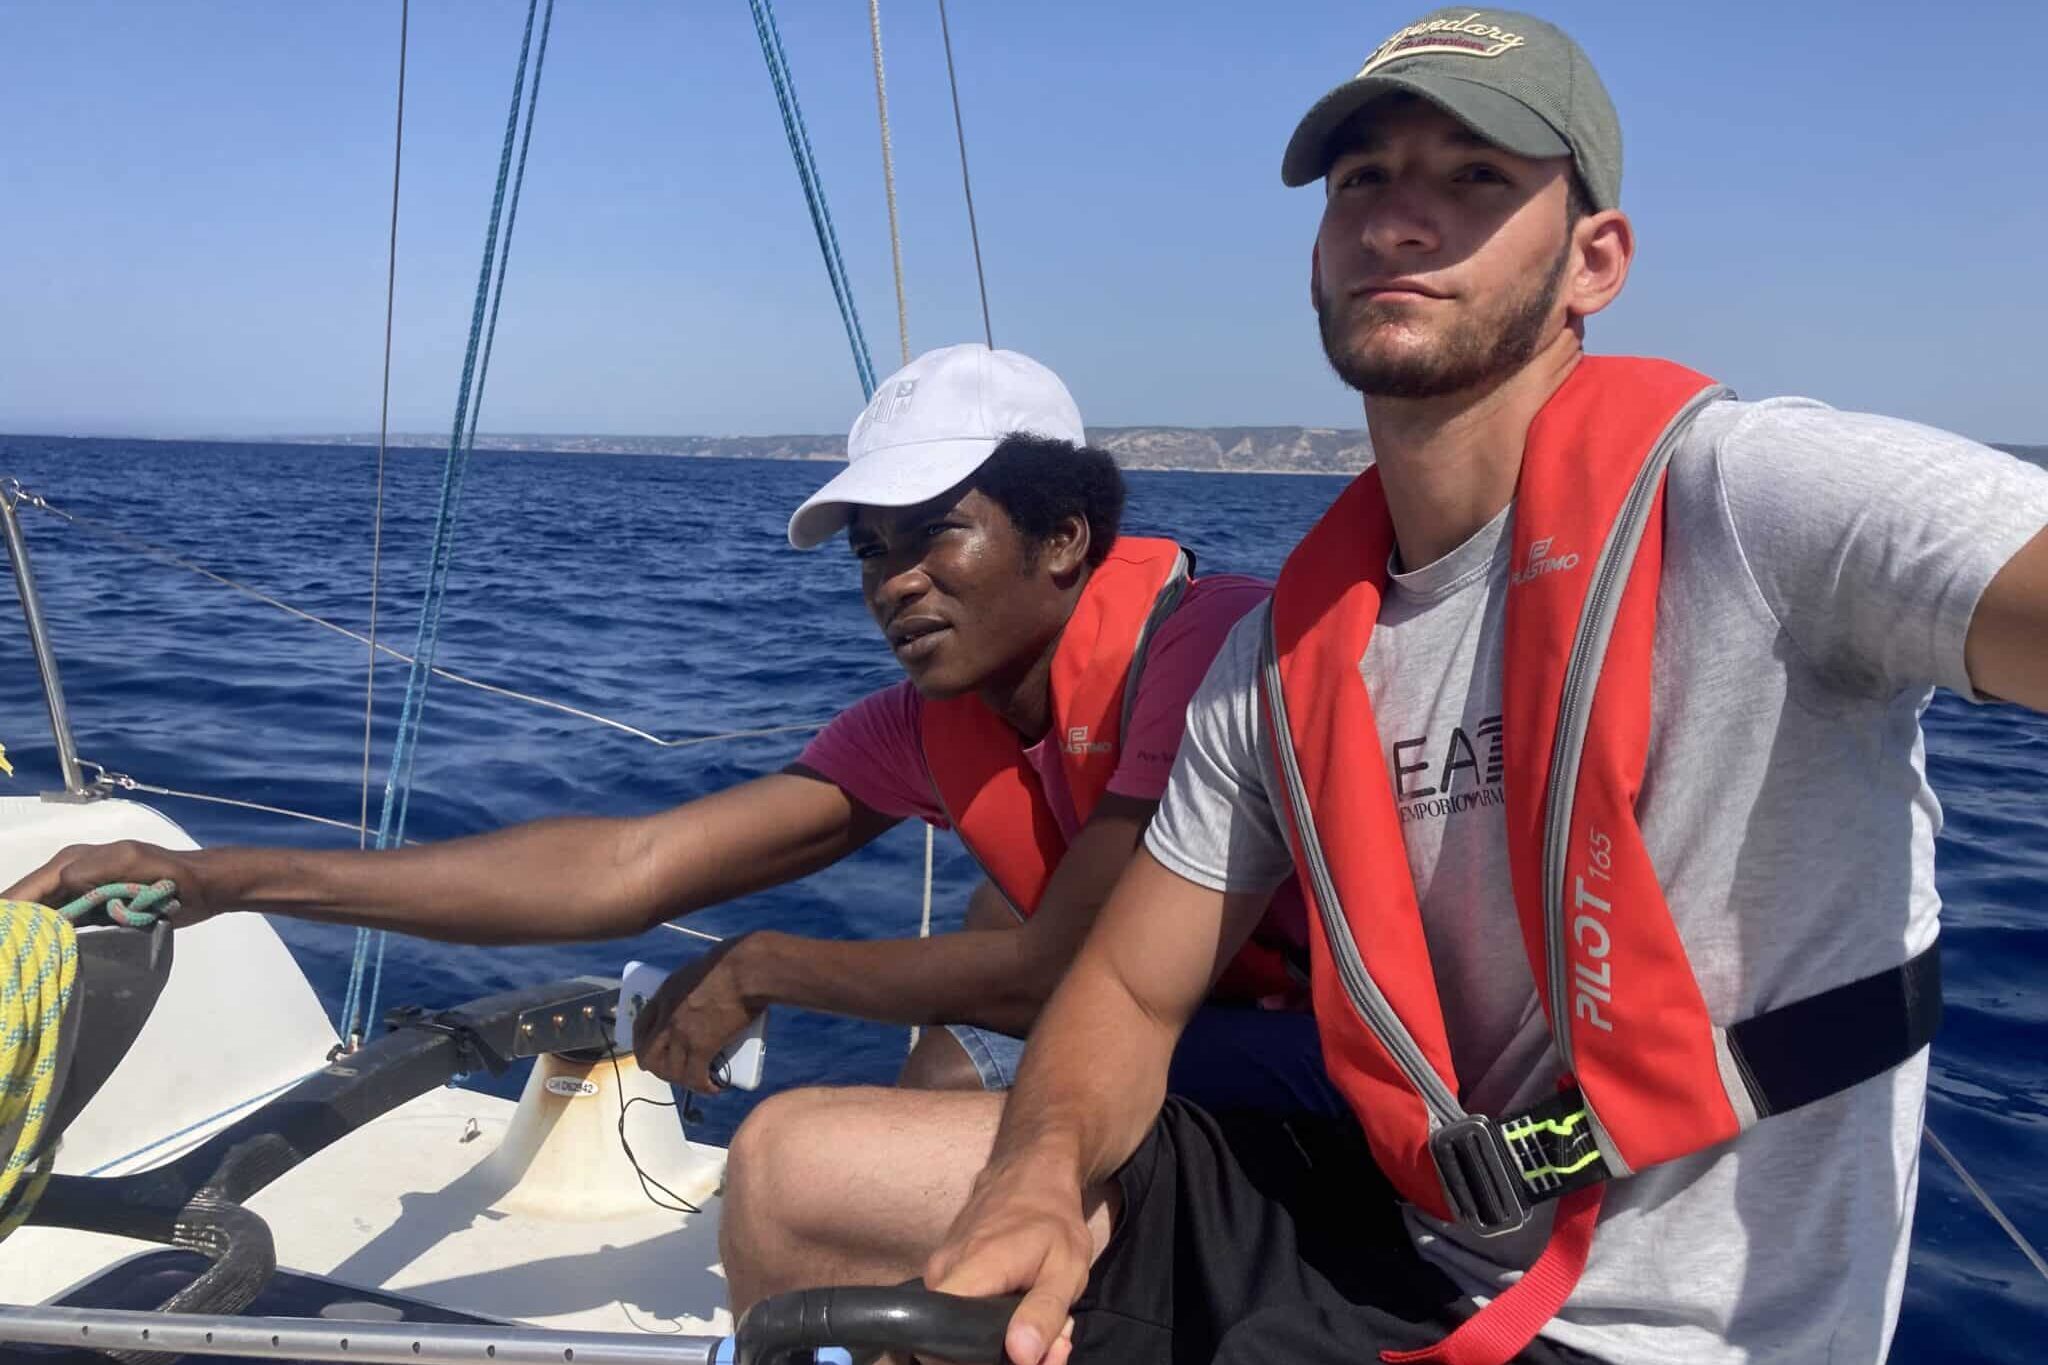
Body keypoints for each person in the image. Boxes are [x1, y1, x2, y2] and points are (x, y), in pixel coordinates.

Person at [722, 10, 2048, 1364]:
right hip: (1385, 1235)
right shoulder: (1280, 659)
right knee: (797, 1173)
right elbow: (1122, 992)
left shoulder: (1757, 505)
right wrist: (1041, 1174)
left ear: (1597, 261)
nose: (1400, 222)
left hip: (1660, 1335)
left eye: (1475, 177)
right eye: (1364, 182)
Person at [4, 342, 1320, 1106]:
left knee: (963, 990)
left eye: (938, 533)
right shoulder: (930, 726)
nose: (895, 580)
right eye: (870, 548)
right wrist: (220, 877)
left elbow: (1063, 973)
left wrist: (761, 965)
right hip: (1155, 1035)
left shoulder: (1209, 648)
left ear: (1066, 536)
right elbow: (628, 868)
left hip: (1338, 1064)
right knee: (955, 1010)